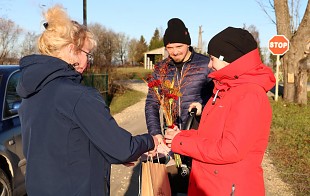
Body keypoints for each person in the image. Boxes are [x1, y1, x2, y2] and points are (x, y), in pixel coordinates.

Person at [16, 5, 158, 196]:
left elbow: (67, 143)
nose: (88, 62)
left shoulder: (31, 93)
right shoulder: (77, 95)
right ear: (72, 49)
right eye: (87, 54)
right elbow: (123, 148)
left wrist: (109, 152)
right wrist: (151, 140)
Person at [164, 27, 276, 196]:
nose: (209, 65)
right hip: (213, 184)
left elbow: (229, 149)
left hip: (228, 188)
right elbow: (210, 136)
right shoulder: (225, 89)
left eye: (212, 58)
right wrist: (181, 136)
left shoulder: (249, 95)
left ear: (228, 60)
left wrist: (181, 143)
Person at [145, 18, 213, 194]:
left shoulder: (206, 65)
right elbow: (152, 103)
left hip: (199, 138)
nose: (174, 52)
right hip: (170, 141)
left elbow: (218, 99)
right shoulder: (161, 68)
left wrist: (202, 107)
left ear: (188, 44)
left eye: (179, 46)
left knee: (198, 186)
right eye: (170, 47)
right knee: (173, 186)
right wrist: (156, 134)